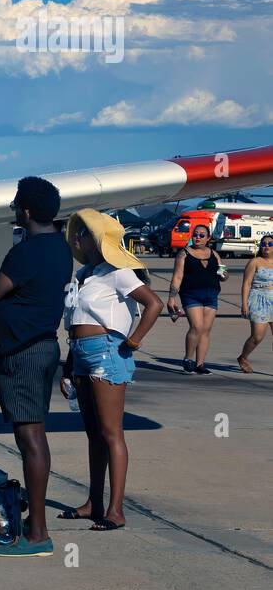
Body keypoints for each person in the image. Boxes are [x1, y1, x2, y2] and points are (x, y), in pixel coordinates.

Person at [0, 176, 73, 558]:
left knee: (31, 439)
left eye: (17, 203)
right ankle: (35, 528)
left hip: (24, 353)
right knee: (32, 436)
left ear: (28, 210)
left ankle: (37, 535)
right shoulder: (60, 249)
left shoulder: (26, 251)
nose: (14, 209)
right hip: (41, 347)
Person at [57, 210, 163, 532]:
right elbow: (73, 322)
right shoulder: (83, 275)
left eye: (84, 233)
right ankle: (94, 503)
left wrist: (134, 340)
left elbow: (153, 304)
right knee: (93, 434)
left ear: (98, 238)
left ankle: (116, 510)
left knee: (111, 432)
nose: (77, 238)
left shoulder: (119, 272)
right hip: (79, 355)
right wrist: (67, 365)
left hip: (107, 353)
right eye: (76, 233)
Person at [166, 223, 226, 374]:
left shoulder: (214, 254)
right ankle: (188, 359)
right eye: (195, 235)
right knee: (197, 327)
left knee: (205, 330)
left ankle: (200, 364)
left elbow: (223, 273)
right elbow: (178, 276)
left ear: (208, 238)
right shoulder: (184, 253)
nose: (197, 237)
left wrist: (224, 274)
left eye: (201, 235)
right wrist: (172, 297)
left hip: (211, 294)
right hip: (191, 294)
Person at [237, 235, 273, 373]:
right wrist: (244, 304)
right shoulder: (255, 262)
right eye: (264, 244)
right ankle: (243, 357)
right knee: (257, 336)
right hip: (258, 299)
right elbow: (246, 283)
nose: (266, 246)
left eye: (270, 244)